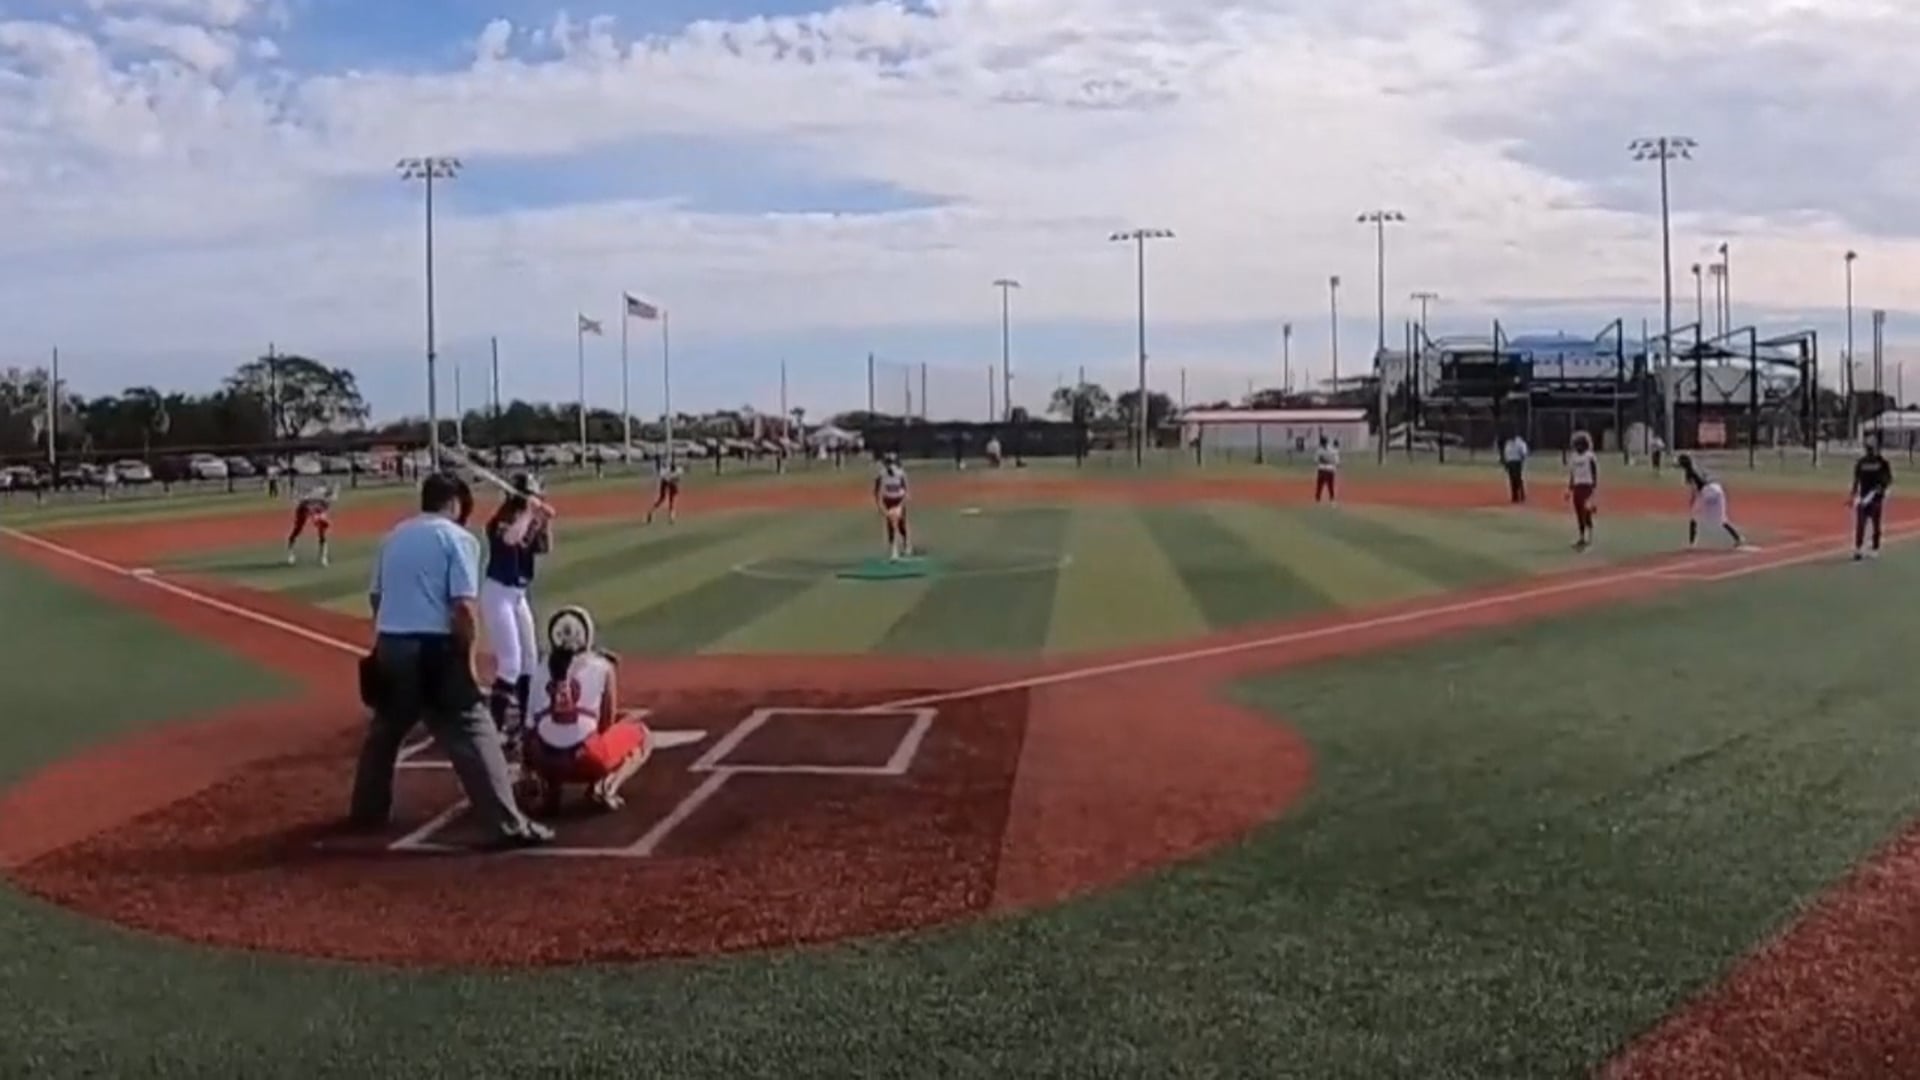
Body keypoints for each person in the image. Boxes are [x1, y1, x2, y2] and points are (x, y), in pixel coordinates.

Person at [348, 471, 552, 848]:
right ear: (455, 503)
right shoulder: (458, 539)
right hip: (434, 648)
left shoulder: (393, 536)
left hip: (391, 643)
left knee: (385, 731)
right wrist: (468, 664)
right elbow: (463, 609)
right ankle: (507, 824)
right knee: (474, 729)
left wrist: (389, 637)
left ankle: (366, 811)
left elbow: (376, 598)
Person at [520, 607, 652, 813]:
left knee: (538, 735)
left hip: (545, 761)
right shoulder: (603, 667)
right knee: (641, 734)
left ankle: (548, 791)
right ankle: (605, 787)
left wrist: (531, 767)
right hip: (587, 760)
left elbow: (528, 728)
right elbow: (606, 723)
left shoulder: (539, 668)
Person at [479, 473, 553, 735]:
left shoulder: (528, 520)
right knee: (510, 663)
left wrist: (544, 521)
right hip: (498, 594)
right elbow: (510, 539)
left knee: (530, 660)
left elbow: (544, 547)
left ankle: (525, 720)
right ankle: (494, 728)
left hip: (518, 595)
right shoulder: (501, 521)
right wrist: (530, 513)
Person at [1677, 453, 1752, 551]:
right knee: (1722, 519)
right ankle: (1738, 538)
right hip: (1717, 488)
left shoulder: (1689, 473)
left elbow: (1695, 490)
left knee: (1693, 516)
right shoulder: (1698, 468)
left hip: (1706, 491)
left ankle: (1692, 544)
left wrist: (1693, 502)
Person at [1849, 438, 1894, 561]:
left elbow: (1888, 478)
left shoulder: (1882, 462)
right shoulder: (1861, 462)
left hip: (1876, 498)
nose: (1870, 450)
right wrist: (1853, 495)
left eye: (1871, 448)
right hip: (1864, 498)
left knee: (1875, 525)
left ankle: (1875, 547)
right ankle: (1858, 549)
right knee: (1860, 524)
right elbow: (1856, 480)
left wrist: (1882, 487)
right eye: (1868, 448)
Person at [286, 483, 336, 566]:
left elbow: (324, 509)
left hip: (316, 510)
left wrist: (320, 518)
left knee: (322, 532)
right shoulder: (312, 494)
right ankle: (291, 554)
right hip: (303, 509)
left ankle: (323, 557)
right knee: (297, 529)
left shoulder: (326, 499)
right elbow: (302, 503)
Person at [875, 452, 912, 559]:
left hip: (899, 499)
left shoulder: (900, 473)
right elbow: (876, 490)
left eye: (891, 462)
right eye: (887, 463)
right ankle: (893, 549)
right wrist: (879, 505)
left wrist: (901, 505)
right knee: (890, 524)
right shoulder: (882, 474)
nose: (889, 465)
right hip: (888, 500)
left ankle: (906, 544)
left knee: (901, 523)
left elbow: (906, 490)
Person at [1567, 431, 1599, 550]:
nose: (1576, 447)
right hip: (1577, 487)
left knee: (1586, 512)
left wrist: (1594, 489)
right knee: (1579, 513)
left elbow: (1594, 472)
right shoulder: (1574, 457)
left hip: (1587, 486)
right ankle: (1582, 537)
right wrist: (1569, 489)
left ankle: (1589, 537)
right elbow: (1573, 474)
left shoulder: (1590, 456)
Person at [646, 456, 682, 525]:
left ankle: (671, 517)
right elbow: (667, 480)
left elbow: (677, 480)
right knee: (663, 498)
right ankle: (651, 512)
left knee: (671, 499)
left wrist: (675, 484)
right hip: (666, 481)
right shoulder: (666, 472)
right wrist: (673, 483)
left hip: (671, 482)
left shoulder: (677, 470)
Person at [1500, 432, 1529, 504]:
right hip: (1510, 462)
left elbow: (1524, 452)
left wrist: (1522, 459)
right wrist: (1505, 462)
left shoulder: (1520, 442)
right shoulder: (1508, 443)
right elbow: (1506, 453)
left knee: (1518, 478)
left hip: (1517, 462)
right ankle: (1514, 496)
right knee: (1512, 479)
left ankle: (1522, 495)